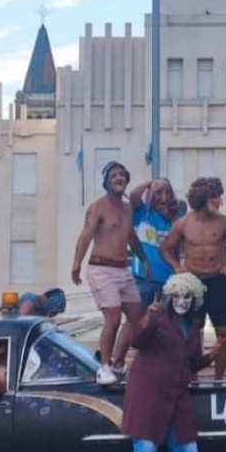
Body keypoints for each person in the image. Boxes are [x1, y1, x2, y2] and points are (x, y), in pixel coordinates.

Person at [122, 272, 225, 452]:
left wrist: (211, 356)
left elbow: (191, 362)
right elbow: (136, 340)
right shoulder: (158, 317)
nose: (182, 301)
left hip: (177, 392)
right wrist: (148, 315)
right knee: (145, 446)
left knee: (186, 446)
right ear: (169, 296)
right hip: (148, 389)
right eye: (177, 295)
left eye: (187, 296)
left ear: (195, 299)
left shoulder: (193, 326)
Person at [71, 161, 149, 385]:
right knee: (112, 319)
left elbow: (131, 237)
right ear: (106, 181)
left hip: (123, 269)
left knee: (135, 317)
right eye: (113, 175)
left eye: (122, 175)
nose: (118, 178)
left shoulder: (127, 208)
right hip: (101, 268)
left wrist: (143, 259)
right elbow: (86, 235)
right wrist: (77, 262)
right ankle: (103, 367)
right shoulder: (98, 207)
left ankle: (117, 364)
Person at [160, 177, 226, 381]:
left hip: (217, 280)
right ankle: (193, 378)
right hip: (193, 282)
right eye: (215, 197)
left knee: (224, 333)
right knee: (193, 333)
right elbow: (165, 248)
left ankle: (218, 381)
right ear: (204, 199)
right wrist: (177, 267)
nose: (219, 201)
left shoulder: (224, 222)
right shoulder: (184, 223)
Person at [129, 177, 180, 307]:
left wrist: (172, 216)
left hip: (169, 282)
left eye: (168, 192)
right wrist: (150, 183)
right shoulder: (142, 212)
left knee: (166, 324)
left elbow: (182, 240)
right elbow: (133, 195)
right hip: (143, 280)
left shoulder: (177, 215)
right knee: (141, 322)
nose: (164, 197)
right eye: (158, 193)